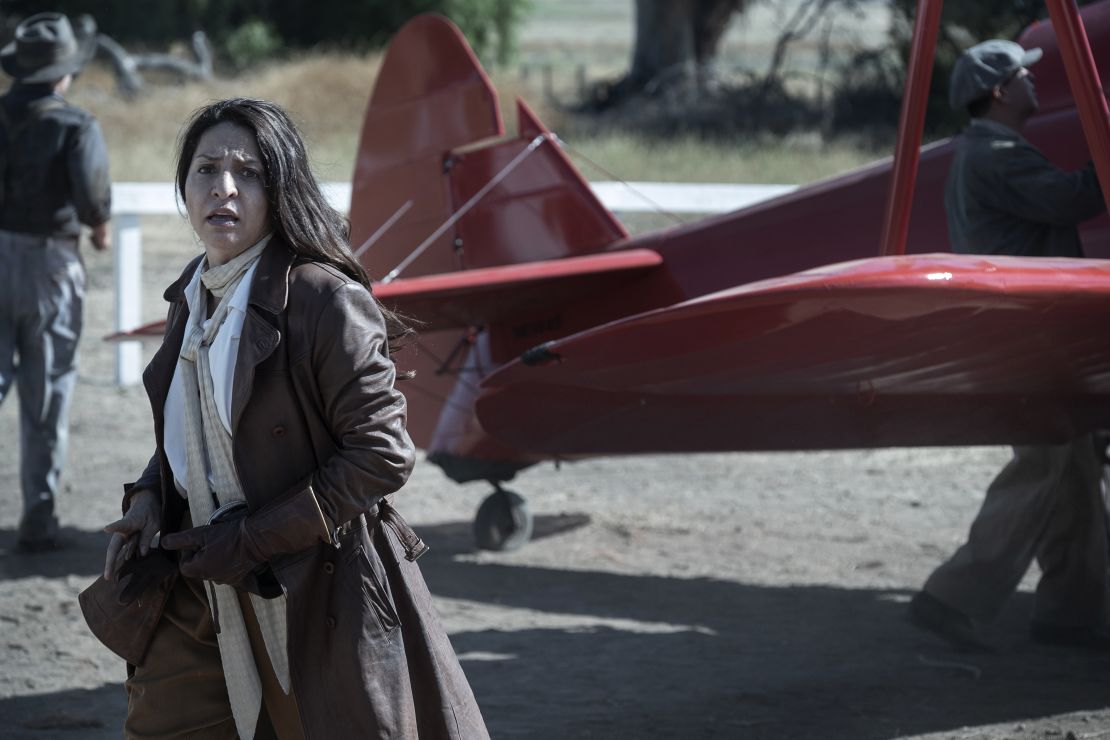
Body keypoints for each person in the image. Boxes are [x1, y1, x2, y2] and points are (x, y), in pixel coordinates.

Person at [94, 98, 489, 738]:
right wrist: (149, 494)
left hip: (317, 589)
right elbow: (201, 426)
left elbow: (382, 456)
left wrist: (249, 540)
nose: (223, 187)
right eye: (206, 169)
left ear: (280, 188)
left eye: (248, 172)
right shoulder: (194, 292)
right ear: (184, 186)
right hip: (206, 580)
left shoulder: (323, 299)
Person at [908, 39, 1109, 651]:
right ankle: (950, 597)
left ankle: (1070, 615)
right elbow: (1076, 197)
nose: (1033, 83)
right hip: (1032, 338)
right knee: (1047, 462)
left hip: (1028, 334)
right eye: (1024, 75)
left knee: (1072, 468)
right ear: (999, 92)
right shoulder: (998, 156)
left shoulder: (983, 152)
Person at [0, 12, 110, 552]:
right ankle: (38, 520)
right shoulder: (76, 125)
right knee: (46, 394)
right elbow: (92, 200)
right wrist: (100, 227)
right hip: (48, 264)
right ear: (62, 73)